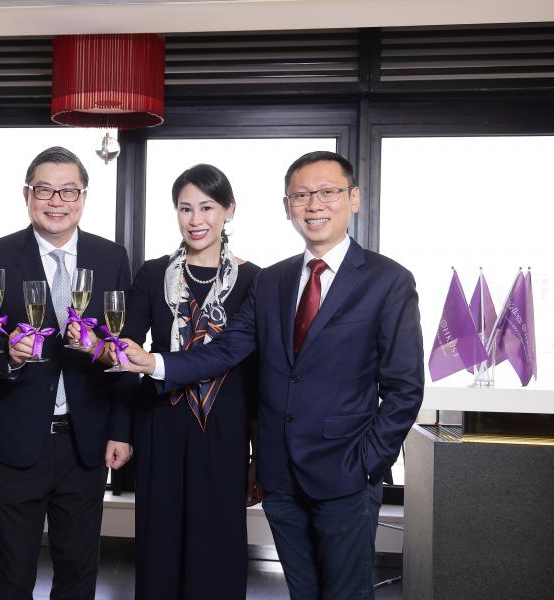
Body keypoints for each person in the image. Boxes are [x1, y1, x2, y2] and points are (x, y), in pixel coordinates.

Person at [118, 151, 425, 599]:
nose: (314, 204)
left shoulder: (388, 281)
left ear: (353, 199)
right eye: (301, 195)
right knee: (302, 592)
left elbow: (404, 389)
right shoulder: (272, 281)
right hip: (282, 478)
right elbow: (225, 350)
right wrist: (154, 363)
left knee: (345, 593)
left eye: (327, 192)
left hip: (346, 473)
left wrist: (368, 463)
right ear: (287, 207)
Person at [0, 146, 133, 599]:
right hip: (18, 438)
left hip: (86, 440)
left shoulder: (111, 257)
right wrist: (8, 357)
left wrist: (120, 430)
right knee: (11, 572)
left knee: (79, 572)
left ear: (83, 196)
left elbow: (123, 353)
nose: (56, 201)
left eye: (68, 191)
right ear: (27, 194)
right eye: (45, 190)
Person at [106, 164, 262, 599]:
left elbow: (257, 375)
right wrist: (120, 429)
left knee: (218, 547)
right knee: (159, 545)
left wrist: (259, 452)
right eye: (185, 208)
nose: (196, 220)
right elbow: (124, 355)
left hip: (224, 429)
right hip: (160, 423)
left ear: (229, 211)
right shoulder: (153, 273)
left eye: (207, 207)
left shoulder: (255, 280)